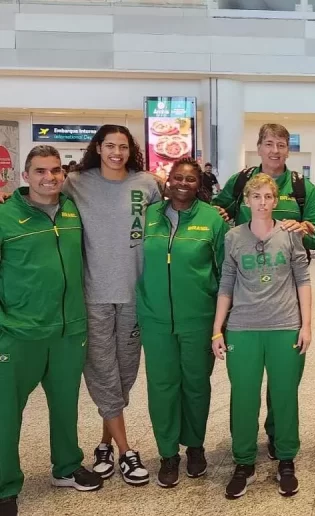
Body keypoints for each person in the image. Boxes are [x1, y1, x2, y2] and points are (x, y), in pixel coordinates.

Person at [211, 123, 315, 457]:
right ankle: (243, 450)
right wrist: (221, 216)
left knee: (283, 387)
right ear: (259, 147)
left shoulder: (302, 188)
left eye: (281, 145)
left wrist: (304, 228)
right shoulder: (239, 181)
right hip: (246, 307)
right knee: (244, 389)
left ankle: (281, 441)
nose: (275, 151)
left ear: (288, 150)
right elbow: (219, 212)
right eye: (269, 144)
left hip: (285, 305)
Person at [0, 146, 102, 516]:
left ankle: (66, 466)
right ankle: (5, 485)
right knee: (6, 413)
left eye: (56, 170)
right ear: (24, 176)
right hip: (18, 333)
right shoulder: (5, 218)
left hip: (69, 330)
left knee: (65, 404)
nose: (50, 178)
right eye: (40, 171)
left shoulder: (73, 211)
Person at [68, 125, 162, 485]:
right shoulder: (77, 182)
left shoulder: (147, 184)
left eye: (123, 147)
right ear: (98, 147)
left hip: (135, 295)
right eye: (110, 146)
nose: (116, 153)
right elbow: (40, 195)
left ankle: (104, 445)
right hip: (94, 295)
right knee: (102, 372)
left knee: (124, 374)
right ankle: (126, 453)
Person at [211, 173, 312, 500]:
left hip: (284, 326)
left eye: (269, 197)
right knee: (244, 397)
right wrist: (218, 329)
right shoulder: (234, 237)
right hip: (244, 327)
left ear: (276, 200)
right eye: (258, 197)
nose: (264, 202)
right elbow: (226, 284)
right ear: (247, 201)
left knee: (284, 395)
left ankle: (285, 459)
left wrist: (306, 325)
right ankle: (243, 463)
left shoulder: (289, 234)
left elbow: (303, 280)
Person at [136, 158, 229, 488]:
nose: (183, 184)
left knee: (195, 385)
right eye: (177, 178)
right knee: (162, 387)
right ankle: (167, 454)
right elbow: (131, 259)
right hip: (155, 318)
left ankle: (195, 447)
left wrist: (221, 323)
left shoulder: (213, 220)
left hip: (198, 319)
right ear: (167, 181)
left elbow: (224, 275)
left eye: (190, 179)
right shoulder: (147, 216)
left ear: (199, 183)